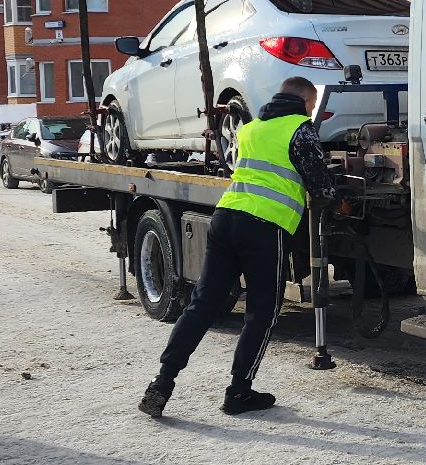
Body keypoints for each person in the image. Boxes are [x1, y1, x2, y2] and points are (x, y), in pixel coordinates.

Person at [139, 76, 343, 417]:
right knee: (262, 312)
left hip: (227, 216)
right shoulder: (301, 128)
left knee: (201, 305)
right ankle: (239, 392)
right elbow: (320, 187)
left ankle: (161, 384)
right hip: (265, 225)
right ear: (308, 103)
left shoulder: (250, 128)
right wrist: (336, 200)